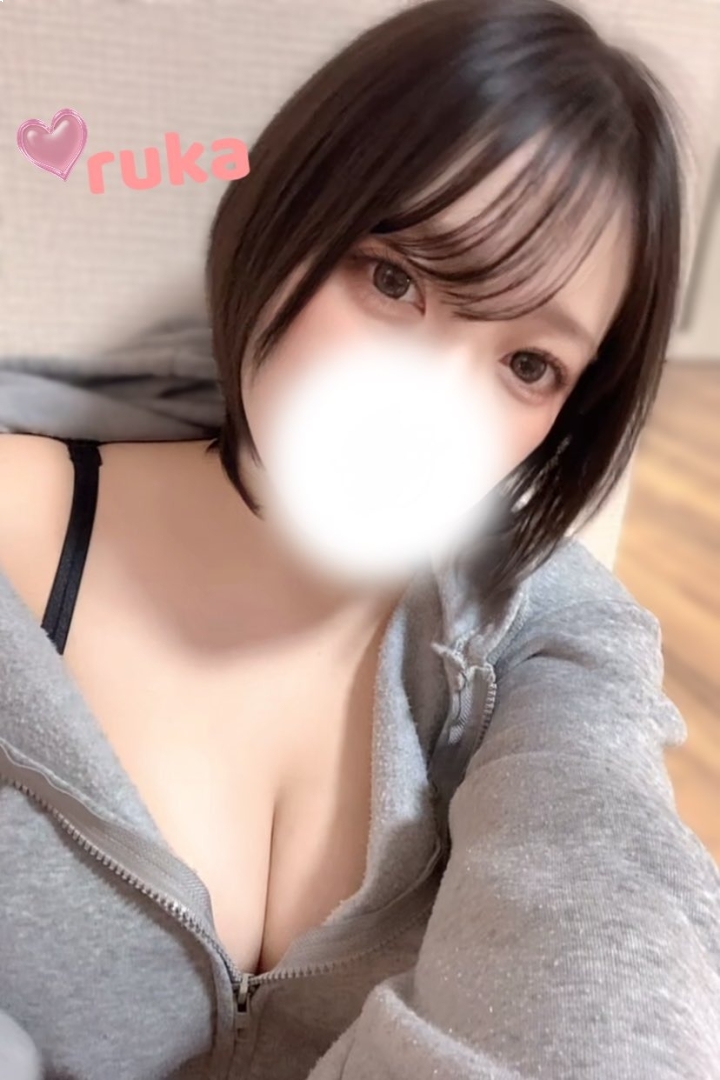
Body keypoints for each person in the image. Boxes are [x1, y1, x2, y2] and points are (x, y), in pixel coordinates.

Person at [0, 0, 718, 1077]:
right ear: (288, 216)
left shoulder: (545, 634)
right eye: (395, 279)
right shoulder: (16, 518)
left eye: (529, 365)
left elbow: (611, 920)